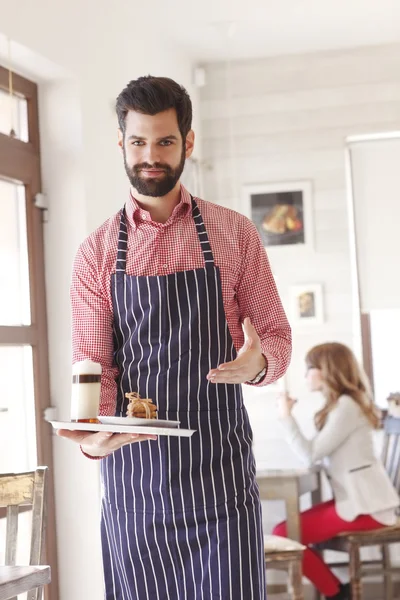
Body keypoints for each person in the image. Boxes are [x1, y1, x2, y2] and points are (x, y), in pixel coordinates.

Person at [57, 75, 292, 600]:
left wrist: (257, 365)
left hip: (221, 485)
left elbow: (275, 335)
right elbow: (96, 366)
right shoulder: (96, 254)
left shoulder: (234, 233)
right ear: (121, 143)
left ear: (188, 142)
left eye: (165, 142)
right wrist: (95, 439)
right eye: (138, 142)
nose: (150, 156)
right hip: (135, 484)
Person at [275, 342, 399, 600]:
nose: (307, 374)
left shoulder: (346, 407)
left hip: (368, 507)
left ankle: (335, 592)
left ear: (327, 370)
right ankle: (336, 591)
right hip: (360, 501)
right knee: (287, 530)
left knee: (283, 533)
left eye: (311, 368)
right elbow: (319, 455)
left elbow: (311, 453)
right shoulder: (344, 405)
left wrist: (286, 416)